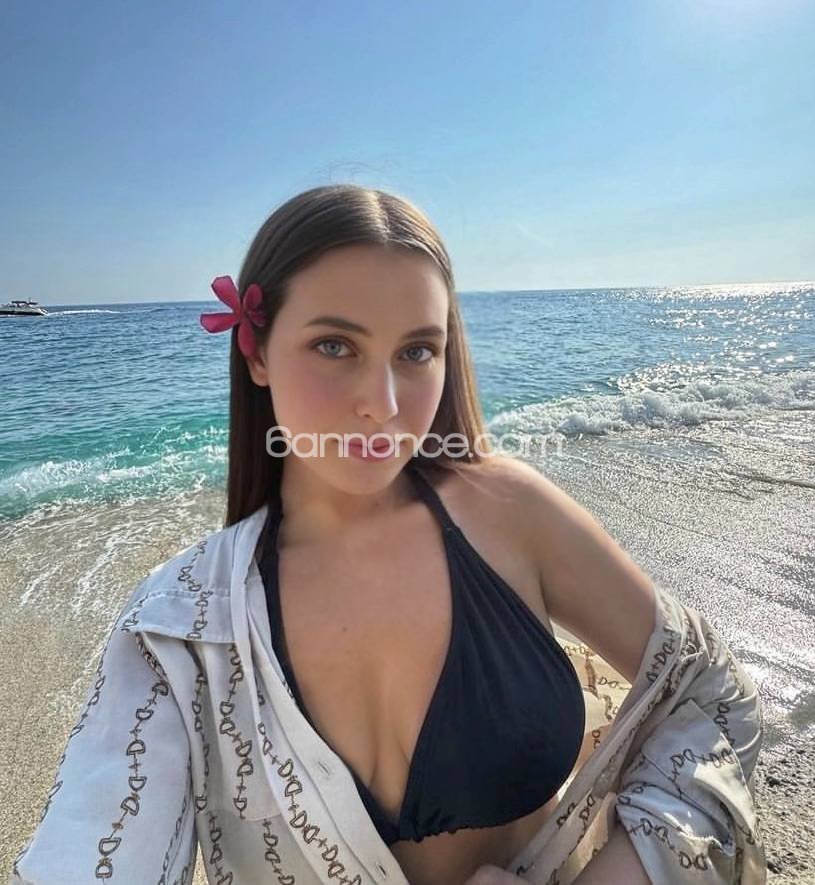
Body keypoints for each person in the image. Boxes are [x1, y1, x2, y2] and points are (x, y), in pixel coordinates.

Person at [10, 184, 765, 885]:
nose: (383, 403)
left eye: (416, 351)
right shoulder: (181, 623)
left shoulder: (509, 513)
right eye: (335, 346)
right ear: (258, 351)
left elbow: (711, 690)